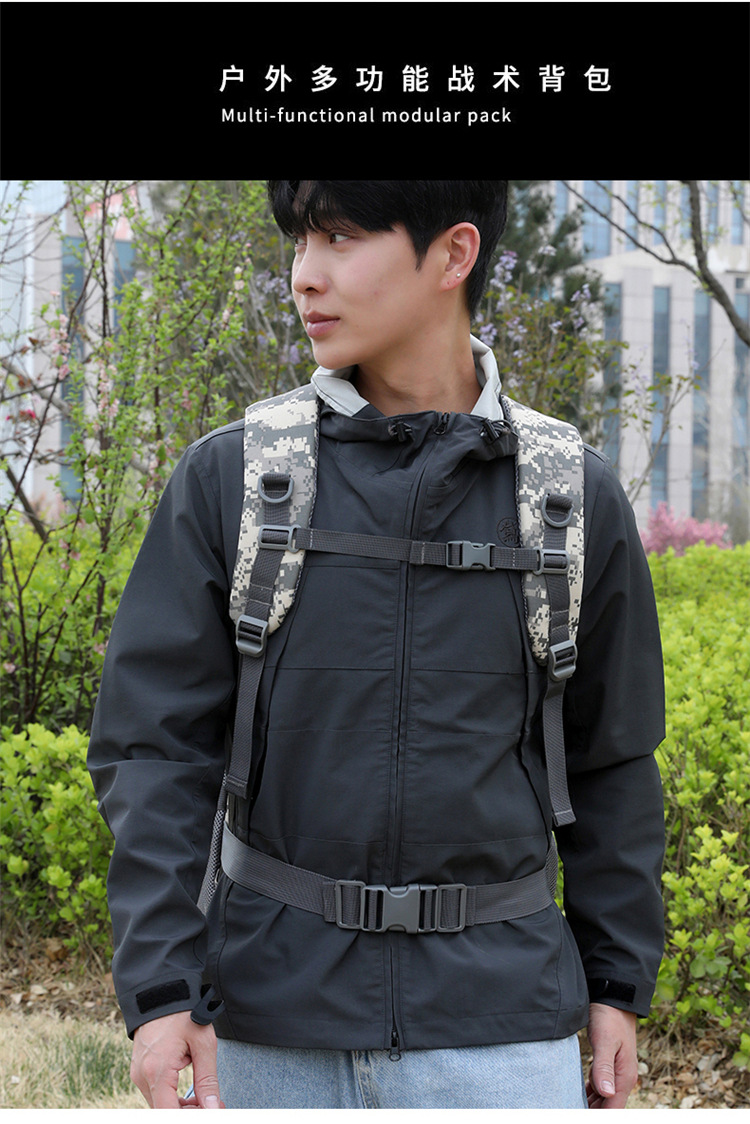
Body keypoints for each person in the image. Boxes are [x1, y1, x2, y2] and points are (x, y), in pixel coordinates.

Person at [88, 180, 665, 1110]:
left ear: (454, 253)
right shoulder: (235, 478)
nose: (303, 276)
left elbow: (615, 762)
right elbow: (153, 753)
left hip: (503, 1038)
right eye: (299, 241)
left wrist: (616, 983)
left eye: (341, 238)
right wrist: (162, 990)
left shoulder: (569, 497)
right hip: (265, 1031)